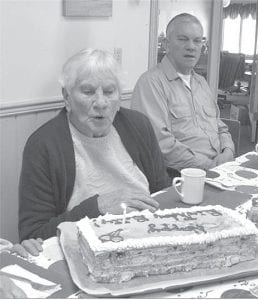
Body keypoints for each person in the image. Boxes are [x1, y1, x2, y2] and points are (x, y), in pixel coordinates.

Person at [19, 49, 170, 241]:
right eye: (88, 91)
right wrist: (97, 207)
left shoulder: (139, 125)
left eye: (109, 91)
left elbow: (162, 192)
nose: (101, 102)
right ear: (67, 97)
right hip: (84, 245)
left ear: (119, 96)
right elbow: (34, 234)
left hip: (147, 236)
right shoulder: (44, 145)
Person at [131, 13, 234, 172]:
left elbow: (220, 127)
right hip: (181, 176)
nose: (191, 46)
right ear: (166, 44)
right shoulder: (151, 83)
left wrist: (228, 151)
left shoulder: (201, 82)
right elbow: (161, 144)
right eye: (183, 39)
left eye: (197, 41)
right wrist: (209, 166)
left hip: (220, 168)